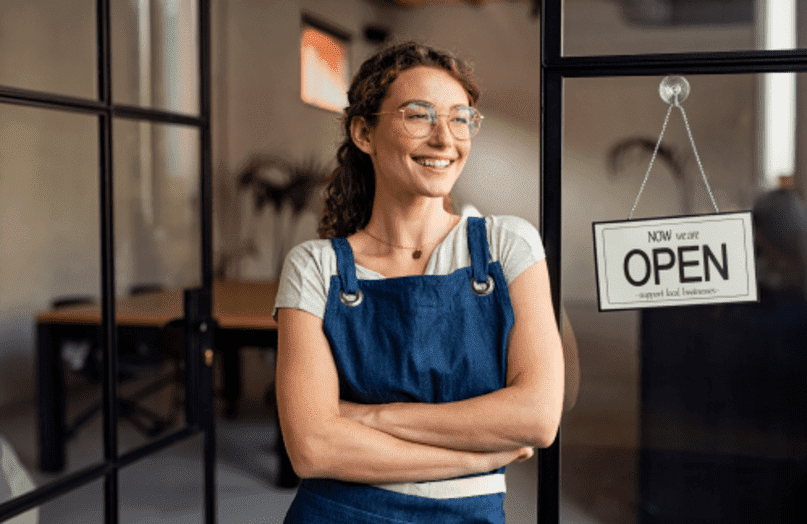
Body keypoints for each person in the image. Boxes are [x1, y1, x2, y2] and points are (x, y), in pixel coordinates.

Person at [272, 41, 564, 523]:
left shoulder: (508, 245)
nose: (445, 139)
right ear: (364, 132)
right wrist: (476, 459)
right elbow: (313, 448)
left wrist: (368, 416)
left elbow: (537, 416)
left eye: (460, 118)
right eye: (419, 116)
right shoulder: (314, 266)